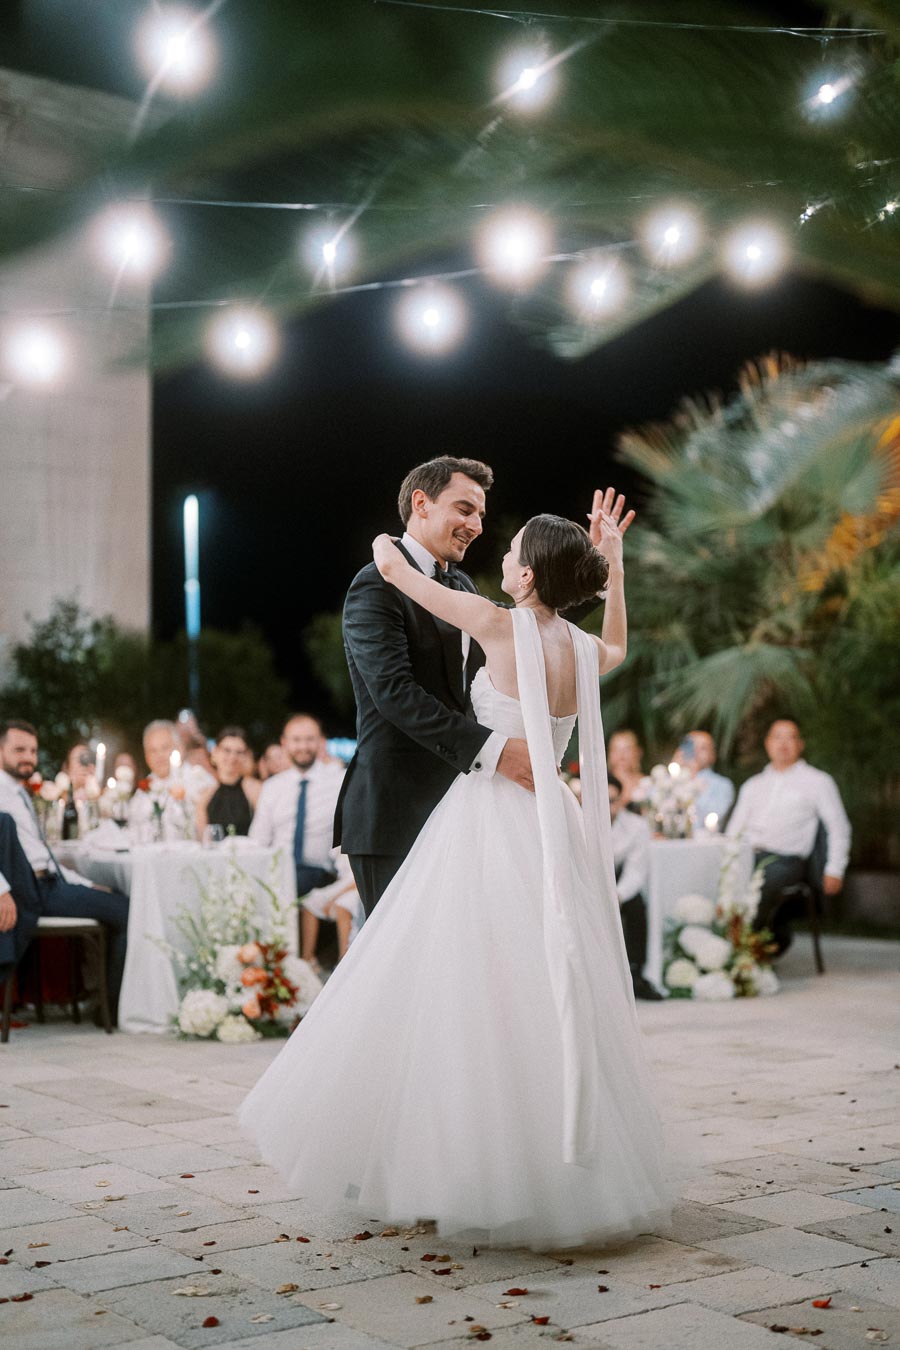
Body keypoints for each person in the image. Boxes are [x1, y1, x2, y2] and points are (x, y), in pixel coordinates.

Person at [241, 494, 670, 1250]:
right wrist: (617, 568)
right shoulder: (578, 648)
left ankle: (458, 1158)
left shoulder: (499, 623)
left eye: (511, 557)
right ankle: (550, 1160)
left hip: (486, 814)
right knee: (538, 979)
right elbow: (621, 647)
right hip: (551, 823)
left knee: (455, 982)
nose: (496, 559)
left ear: (530, 579)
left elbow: (403, 578)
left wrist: (383, 539)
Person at [334, 456, 603, 916]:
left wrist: (579, 569)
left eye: (480, 514)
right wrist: (497, 751)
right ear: (421, 503)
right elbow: (395, 694)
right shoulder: (374, 585)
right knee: (403, 970)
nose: (476, 525)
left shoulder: (460, 585)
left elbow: (530, 629)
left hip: (459, 810)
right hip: (395, 810)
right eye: (464, 509)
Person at [0, 720, 130, 1016]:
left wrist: (84, 884)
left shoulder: (17, 792)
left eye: (32, 751)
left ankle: (103, 997)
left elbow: (42, 855)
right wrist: (2, 890)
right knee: (127, 910)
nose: (28, 758)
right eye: (19, 749)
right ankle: (113, 1006)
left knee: (117, 895)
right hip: (32, 892)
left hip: (50, 883)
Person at [726, 719, 851, 954]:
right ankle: (736, 946)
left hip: (786, 861)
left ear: (800, 744)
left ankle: (746, 953)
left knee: (761, 882)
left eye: (790, 737)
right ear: (767, 744)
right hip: (747, 854)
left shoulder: (817, 781)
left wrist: (835, 868)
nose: (783, 743)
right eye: (777, 737)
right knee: (719, 879)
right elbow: (734, 830)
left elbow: (838, 826)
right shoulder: (753, 785)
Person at [250, 714, 356, 968]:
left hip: (319, 870)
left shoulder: (339, 781)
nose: (303, 746)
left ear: (321, 743)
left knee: (295, 879)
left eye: (309, 740)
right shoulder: (273, 787)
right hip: (278, 869)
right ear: (285, 743)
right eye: (296, 740)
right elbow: (258, 840)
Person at [608, 774, 661, 1000]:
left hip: (619, 880)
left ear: (620, 800)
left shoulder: (637, 826)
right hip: (585, 879)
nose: (606, 806)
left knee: (637, 903)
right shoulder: (577, 819)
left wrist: (617, 896)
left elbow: (637, 871)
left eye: (612, 800)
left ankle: (637, 971)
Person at [128, 719, 215, 839]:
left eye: (165, 748)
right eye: (153, 750)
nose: (159, 755)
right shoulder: (144, 788)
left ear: (180, 748)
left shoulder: (200, 779)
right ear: (146, 756)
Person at [196, 727, 262, 837]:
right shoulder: (205, 795)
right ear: (215, 752)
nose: (232, 757)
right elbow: (202, 836)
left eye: (239, 752)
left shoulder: (255, 789)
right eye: (227, 750)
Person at [673, 730, 735, 825]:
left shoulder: (722, 784)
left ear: (712, 755)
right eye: (691, 746)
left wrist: (693, 779)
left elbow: (710, 817)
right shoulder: (670, 780)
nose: (695, 752)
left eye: (703, 748)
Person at [607, 729, 645, 808]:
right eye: (616, 750)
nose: (621, 756)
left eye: (626, 750)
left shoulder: (646, 782)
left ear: (637, 752)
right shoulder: (603, 783)